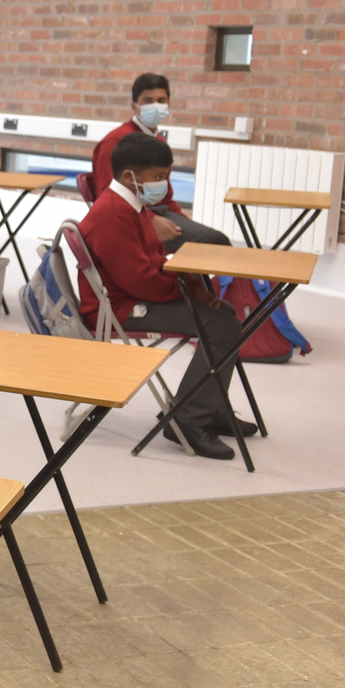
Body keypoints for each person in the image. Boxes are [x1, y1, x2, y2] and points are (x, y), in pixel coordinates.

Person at [80, 132, 249, 461]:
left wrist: (195, 291)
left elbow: (154, 261)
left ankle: (208, 405)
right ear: (129, 176)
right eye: (158, 177)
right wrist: (192, 295)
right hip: (121, 308)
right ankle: (188, 419)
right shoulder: (113, 214)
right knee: (222, 326)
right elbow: (141, 281)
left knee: (226, 314)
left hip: (134, 296)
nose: (164, 185)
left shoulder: (132, 205)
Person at [89, 73, 231, 252]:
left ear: (168, 104)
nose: (155, 106)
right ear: (134, 106)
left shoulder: (160, 143)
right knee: (215, 241)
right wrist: (151, 220)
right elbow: (107, 195)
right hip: (130, 219)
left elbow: (165, 196)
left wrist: (182, 220)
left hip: (158, 212)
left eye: (161, 100)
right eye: (148, 101)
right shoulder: (115, 142)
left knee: (208, 238)